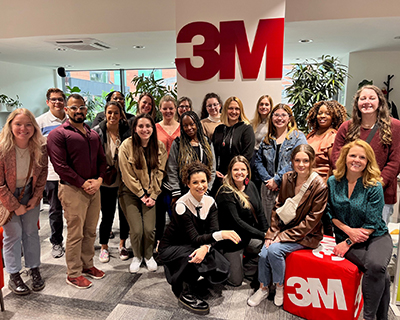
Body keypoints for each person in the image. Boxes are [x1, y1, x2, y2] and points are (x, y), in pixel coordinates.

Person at [248, 144, 327, 307]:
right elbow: (278, 208)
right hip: (284, 228)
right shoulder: (287, 178)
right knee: (264, 253)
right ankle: (263, 288)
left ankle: (279, 286)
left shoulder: (320, 185)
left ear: (312, 161)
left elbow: (312, 221)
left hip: (307, 234)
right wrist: (272, 233)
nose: (301, 164)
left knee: (275, 251)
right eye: (297, 160)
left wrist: (282, 237)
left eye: (306, 160)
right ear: (292, 161)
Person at [158, 161, 241, 315]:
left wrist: (206, 247)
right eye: (195, 182)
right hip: (172, 247)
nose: (200, 186)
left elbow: (212, 231)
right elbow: (195, 238)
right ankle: (184, 290)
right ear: (187, 183)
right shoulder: (181, 205)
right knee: (194, 256)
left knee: (219, 264)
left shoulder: (210, 202)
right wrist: (220, 235)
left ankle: (193, 279)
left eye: (203, 181)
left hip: (197, 243)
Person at [47, 93, 107, 289]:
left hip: (94, 189)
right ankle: (73, 273)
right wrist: (83, 183)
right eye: (73, 108)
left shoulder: (93, 133)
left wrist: (98, 181)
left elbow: (102, 160)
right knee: (75, 233)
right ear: (66, 110)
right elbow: (60, 166)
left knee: (90, 231)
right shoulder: (59, 134)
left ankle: (87, 265)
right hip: (73, 189)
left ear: (86, 109)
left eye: (81, 107)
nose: (78, 111)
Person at [327, 140, 391, 320]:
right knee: (381, 273)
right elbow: (329, 213)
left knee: (377, 266)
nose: (356, 160)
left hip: (375, 236)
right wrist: (348, 231)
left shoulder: (374, 185)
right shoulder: (333, 181)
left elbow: (371, 224)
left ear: (368, 161)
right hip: (346, 235)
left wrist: (348, 243)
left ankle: (368, 317)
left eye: (362, 157)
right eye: (353, 155)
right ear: (345, 158)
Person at [332, 85, 400, 224]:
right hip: (349, 193)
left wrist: (375, 186)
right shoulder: (346, 127)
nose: (367, 102)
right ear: (357, 102)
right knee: (348, 237)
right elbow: (337, 157)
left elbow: (395, 162)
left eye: (371, 98)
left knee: (375, 240)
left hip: (380, 194)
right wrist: (352, 183)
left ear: (380, 101)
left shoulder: (395, 127)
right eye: (362, 98)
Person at [0, 109, 48, 295]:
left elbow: (42, 173)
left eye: (28, 124)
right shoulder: (3, 148)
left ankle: (34, 268)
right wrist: (15, 206)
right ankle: (13, 274)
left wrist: (36, 197)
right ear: (10, 125)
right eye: (18, 124)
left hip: (30, 192)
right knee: (13, 234)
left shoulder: (40, 146)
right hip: (6, 196)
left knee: (31, 232)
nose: (23, 128)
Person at [119, 113, 167, 273]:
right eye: (141, 126)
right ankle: (137, 257)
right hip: (130, 193)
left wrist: (153, 195)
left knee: (149, 229)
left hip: (151, 193)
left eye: (148, 126)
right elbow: (127, 175)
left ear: (153, 128)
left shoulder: (159, 146)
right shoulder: (126, 146)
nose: (144, 129)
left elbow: (160, 173)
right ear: (135, 128)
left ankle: (148, 255)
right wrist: (141, 194)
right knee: (137, 229)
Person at [216, 156, 268, 286]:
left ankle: (244, 265)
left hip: (247, 236)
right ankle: (225, 260)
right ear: (230, 171)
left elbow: (260, 211)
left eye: (243, 169)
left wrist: (268, 233)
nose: (239, 172)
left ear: (247, 171)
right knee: (236, 281)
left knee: (268, 247)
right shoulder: (226, 192)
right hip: (232, 241)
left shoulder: (250, 185)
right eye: (236, 169)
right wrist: (262, 235)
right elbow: (237, 222)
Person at [255, 103, 307, 225]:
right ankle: (269, 243)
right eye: (276, 115)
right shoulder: (267, 139)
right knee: (269, 221)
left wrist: (277, 180)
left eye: (283, 115)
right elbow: (258, 161)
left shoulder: (298, 137)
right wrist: (268, 180)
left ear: (290, 118)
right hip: (268, 186)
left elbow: (298, 161)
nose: (279, 118)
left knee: (287, 221)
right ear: (271, 117)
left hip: (289, 185)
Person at [92, 101, 131, 263]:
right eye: (109, 112)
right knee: (107, 215)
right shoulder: (97, 132)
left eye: (116, 113)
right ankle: (104, 247)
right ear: (105, 113)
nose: (112, 116)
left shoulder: (127, 132)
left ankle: (122, 244)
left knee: (124, 215)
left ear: (121, 114)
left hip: (123, 180)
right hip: (105, 181)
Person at [36, 88, 67, 258]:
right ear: (47, 102)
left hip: (72, 176)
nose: (57, 102)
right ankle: (56, 242)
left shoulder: (72, 119)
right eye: (54, 99)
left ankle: (75, 242)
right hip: (52, 175)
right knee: (55, 210)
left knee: (73, 211)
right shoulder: (40, 122)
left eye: (60, 99)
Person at [164, 111, 215, 203]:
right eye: (185, 125)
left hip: (203, 191)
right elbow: (172, 169)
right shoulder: (178, 143)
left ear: (197, 124)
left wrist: (206, 190)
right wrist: (176, 192)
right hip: (182, 192)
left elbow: (212, 169)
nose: (189, 128)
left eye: (192, 124)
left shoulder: (206, 142)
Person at [212, 96, 255, 196]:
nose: (234, 111)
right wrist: (214, 171)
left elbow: (247, 155)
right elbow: (212, 152)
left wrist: (232, 174)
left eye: (237, 109)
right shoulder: (219, 129)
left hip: (238, 177)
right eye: (230, 108)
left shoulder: (246, 128)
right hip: (219, 177)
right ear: (225, 110)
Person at [155, 95, 180, 243]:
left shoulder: (181, 127)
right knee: (159, 215)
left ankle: (175, 243)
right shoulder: (155, 128)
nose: (168, 111)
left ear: (175, 109)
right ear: (160, 109)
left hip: (177, 177)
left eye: (171, 108)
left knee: (176, 213)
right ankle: (159, 243)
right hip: (160, 177)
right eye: (165, 108)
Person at [306, 100, 347, 182]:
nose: (322, 116)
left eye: (327, 114)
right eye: (320, 113)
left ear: (334, 117)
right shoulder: (311, 135)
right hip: (305, 181)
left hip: (321, 183)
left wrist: (326, 186)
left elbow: (334, 166)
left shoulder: (332, 137)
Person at [251, 95, 273, 190]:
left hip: (266, 158)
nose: (264, 107)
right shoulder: (252, 123)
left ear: (271, 107)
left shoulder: (274, 123)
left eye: (267, 104)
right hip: (253, 157)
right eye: (261, 104)